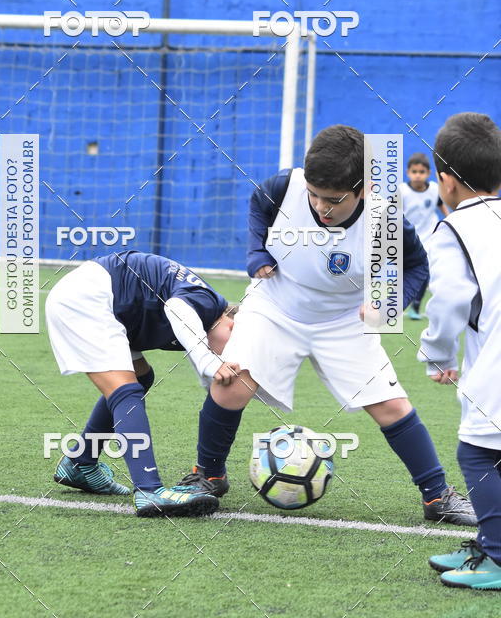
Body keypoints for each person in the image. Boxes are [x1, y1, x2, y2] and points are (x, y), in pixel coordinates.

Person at [179, 125, 476, 527]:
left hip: (343, 318)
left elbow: (416, 266)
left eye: (333, 200)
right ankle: (208, 477)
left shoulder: (384, 217)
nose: (320, 206)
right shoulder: (284, 186)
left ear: (364, 189)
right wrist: (255, 250)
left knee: (390, 405)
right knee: (231, 382)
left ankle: (437, 495)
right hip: (276, 304)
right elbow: (258, 206)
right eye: (313, 195)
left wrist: (390, 302)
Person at [45, 250, 239, 518]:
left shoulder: (206, 322)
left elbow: (207, 376)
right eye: (234, 349)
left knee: (141, 376)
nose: (231, 359)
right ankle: (148, 490)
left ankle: (80, 462)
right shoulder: (207, 301)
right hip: (90, 298)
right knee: (126, 389)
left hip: (109, 305)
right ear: (230, 324)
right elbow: (177, 308)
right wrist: (209, 362)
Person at [419, 113, 501, 589]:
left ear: (446, 182)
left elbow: (449, 299)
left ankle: (497, 554)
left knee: (477, 451)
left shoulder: (454, 229)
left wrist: (437, 355)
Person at [400, 152, 448, 320]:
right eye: (414, 172)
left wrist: (449, 219)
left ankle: (416, 305)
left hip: (429, 236)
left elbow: (440, 205)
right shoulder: (402, 191)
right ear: (408, 173)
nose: (418, 175)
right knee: (407, 271)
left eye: (421, 172)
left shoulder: (434, 189)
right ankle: (398, 301)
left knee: (425, 268)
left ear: (428, 173)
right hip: (408, 238)